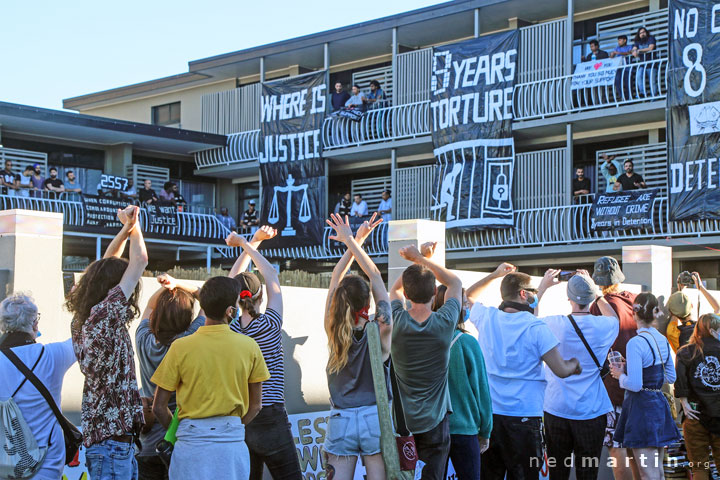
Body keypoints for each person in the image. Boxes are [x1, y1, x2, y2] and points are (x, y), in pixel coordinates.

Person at [465, 264, 582, 480]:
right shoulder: (537, 328)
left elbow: (469, 294)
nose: (534, 297)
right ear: (522, 294)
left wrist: (495, 274)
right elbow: (561, 370)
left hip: (491, 418)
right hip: (525, 418)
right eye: (533, 293)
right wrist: (575, 364)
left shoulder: (487, 317)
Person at [151, 275, 269, 479]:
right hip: (230, 444)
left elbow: (159, 407)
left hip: (190, 443)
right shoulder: (249, 346)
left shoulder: (181, 347)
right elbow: (256, 406)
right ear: (229, 311)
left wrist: (179, 430)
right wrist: (232, 427)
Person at [67, 205, 148, 479]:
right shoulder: (105, 316)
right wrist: (136, 225)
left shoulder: (84, 319)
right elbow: (140, 263)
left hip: (109, 443)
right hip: (113, 444)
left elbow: (103, 268)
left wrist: (125, 230)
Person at [224, 226, 303, 480]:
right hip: (271, 416)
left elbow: (228, 282)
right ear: (260, 297)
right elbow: (270, 275)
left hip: (242, 418)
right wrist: (247, 243)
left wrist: (250, 242)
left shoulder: (231, 330)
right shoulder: (271, 324)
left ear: (235, 300)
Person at [322, 213, 390, 480]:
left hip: (341, 418)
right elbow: (375, 277)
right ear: (368, 304)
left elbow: (335, 278)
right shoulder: (382, 326)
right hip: (375, 417)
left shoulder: (332, 328)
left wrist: (353, 240)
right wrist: (354, 241)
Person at [390, 240, 463, 480]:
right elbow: (454, 283)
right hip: (436, 421)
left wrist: (416, 261)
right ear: (434, 292)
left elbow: (395, 291)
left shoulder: (397, 321)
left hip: (402, 423)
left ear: (408, 295)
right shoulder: (444, 322)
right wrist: (421, 260)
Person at [539, 272, 620, 480]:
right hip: (591, 411)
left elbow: (529, 319)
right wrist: (597, 293)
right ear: (591, 297)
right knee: (588, 472)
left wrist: (543, 287)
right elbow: (614, 318)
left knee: (558, 471)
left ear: (569, 298)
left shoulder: (555, 324)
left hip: (556, 408)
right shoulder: (603, 327)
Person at [135, 274, 205, 480]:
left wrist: (166, 288)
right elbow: (206, 300)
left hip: (147, 443)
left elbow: (149, 305)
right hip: (179, 440)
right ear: (186, 318)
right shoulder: (187, 340)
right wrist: (176, 283)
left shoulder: (143, 339)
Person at [0, 293, 77, 480]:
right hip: (47, 464)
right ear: (35, 323)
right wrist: (78, 304)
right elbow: (82, 339)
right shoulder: (52, 356)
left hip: (4, 466)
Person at [610, 292, 681, 479]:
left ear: (634, 313)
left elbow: (635, 384)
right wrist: (635, 370)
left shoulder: (635, 343)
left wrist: (620, 375)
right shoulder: (662, 339)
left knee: (648, 473)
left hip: (641, 408)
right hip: (658, 404)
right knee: (656, 470)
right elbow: (670, 377)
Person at [431, 285, 492, 480]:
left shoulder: (424, 340)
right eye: (464, 303)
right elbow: (481, 390)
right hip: (465, 429)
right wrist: (486, 430)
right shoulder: (467, 342)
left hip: (431, 428)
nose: (466, 307)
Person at [588, 256, 638, 480]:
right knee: (639, 453)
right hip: (639, 384)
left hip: (613, 388)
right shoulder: (634, 300)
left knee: (617, 451)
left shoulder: (600, 304)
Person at [674, 313, 720, 480]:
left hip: (695, 415)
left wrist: (684, 402)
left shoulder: (686, 352)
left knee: (700, 466)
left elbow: (680, 380)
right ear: (714, 330)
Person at [664, 272, 720, 353]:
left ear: (671, 312)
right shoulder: (706, 327)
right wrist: (701, 287)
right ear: (692, 306)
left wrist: (680, 292)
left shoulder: (673, 333)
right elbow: (717, 308)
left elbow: (675, 315)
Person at [631, 28, 657, 97]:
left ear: (646, 33)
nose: (642, 34)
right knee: (639, 76)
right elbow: (634, 49)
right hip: (643, 63)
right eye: (640, 33)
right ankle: (643, 93)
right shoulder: (637, 42)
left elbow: (651, 48)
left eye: (643, 32)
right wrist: (634, 52)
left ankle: (654, 97)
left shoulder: (651, 38)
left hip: (651, 63)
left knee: (652, 81)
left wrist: (639, 51)